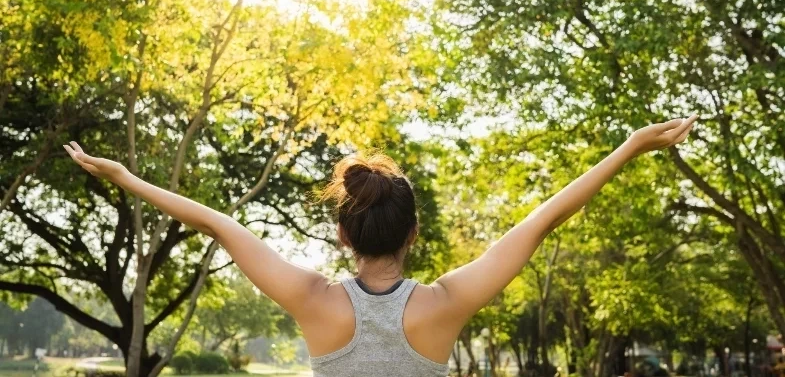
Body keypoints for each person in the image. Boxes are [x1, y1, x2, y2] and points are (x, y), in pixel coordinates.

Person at [63, 115, 698, 377]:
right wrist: (631, 145)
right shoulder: (444, 305)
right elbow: (543, 219)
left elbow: (219, 225)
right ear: (414, 234)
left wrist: (125, 177)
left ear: (342, 235)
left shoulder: (314, 302)